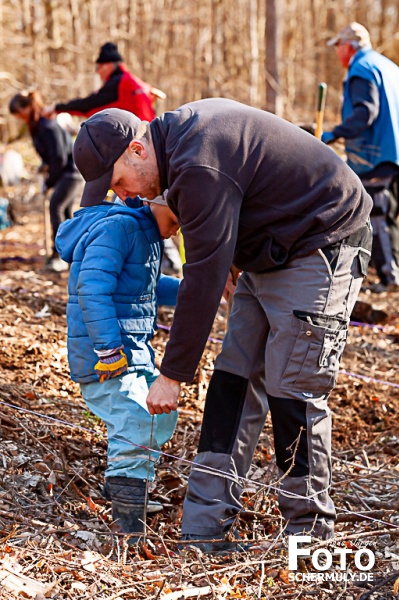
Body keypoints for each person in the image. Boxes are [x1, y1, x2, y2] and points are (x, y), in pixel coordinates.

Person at [71, 101, 372, 548]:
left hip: (322, 237)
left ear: (136, 150)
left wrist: (172, 375)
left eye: (119, 182)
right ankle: (203, 529)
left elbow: (202, 275)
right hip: (268, 250)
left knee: (294, 388)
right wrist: (233, 257)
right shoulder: (172, 155)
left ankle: (309, 540)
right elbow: (216, 241)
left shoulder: (197, 162)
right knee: (232, 380)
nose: (124, 196)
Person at [55, 193, 180, 540]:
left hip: (135, 353)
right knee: (135, 419)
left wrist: (197, 292)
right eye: (178, 215)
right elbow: (92, 289)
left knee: (161, 412)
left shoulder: (147, 236)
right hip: (107, 358)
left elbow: (150, 287)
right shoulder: (119, 228)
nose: (179, 227)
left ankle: (127, 486)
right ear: (158, 199)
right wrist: (108, 349)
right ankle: (128, 516)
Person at [322, 22, 399, 292]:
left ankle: (391, 279)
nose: (337, 54)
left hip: (376, 155)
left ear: (348, 46)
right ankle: (392, 274)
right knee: (389, 216)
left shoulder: (360, 69)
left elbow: (366, 112)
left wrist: (333, 134)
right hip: (395, 152)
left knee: (377, 216)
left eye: (338, 47)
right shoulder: (388, 66)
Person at [9, 90, 82, 272]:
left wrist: (49, 182)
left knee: (56, 207)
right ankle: (73, 254)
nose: (18, 117)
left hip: (72, 172)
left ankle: (60, 255)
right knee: (64, 211)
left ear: (27, 108)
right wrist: (44, 166)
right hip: (65, 171)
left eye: (19, 112)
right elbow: (51, 157)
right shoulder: (37, 126)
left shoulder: (46, 126)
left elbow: (59, 158)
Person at [44, 42, 159, 122]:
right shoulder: (133, 80)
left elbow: (87, 105)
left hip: (138, 140)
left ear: (108, 66)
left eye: (99, 68)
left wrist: (56, 108)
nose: (98, 72)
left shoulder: (118, 83)